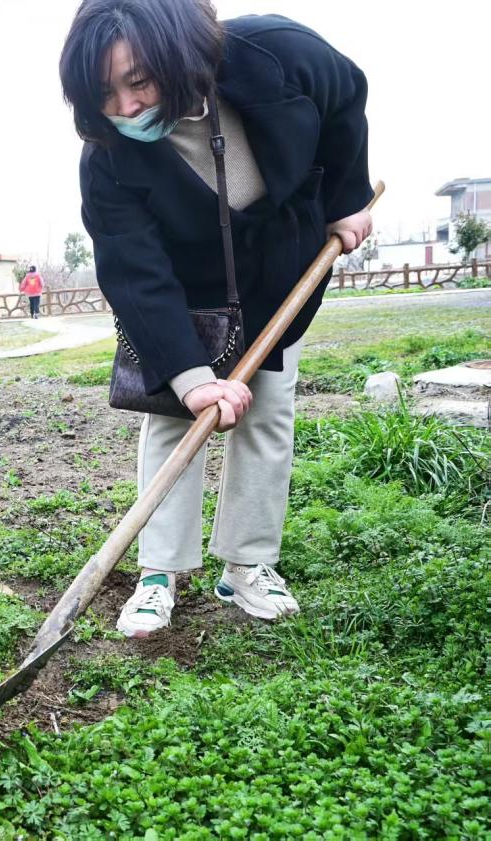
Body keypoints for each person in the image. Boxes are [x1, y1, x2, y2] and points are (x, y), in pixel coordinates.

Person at [59, 0, 372, 637]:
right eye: (104, 92)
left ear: (180, 53)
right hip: (187, 285)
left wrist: (347, 200)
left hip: (282, 263)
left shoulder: (282, 56)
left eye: (139, 80)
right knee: (177, 420)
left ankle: (248, 564)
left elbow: (346, 100)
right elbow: (135, 273)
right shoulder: (108, 161)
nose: (125, 107)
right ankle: (158, 574)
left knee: (269, 410)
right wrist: (189, 374)